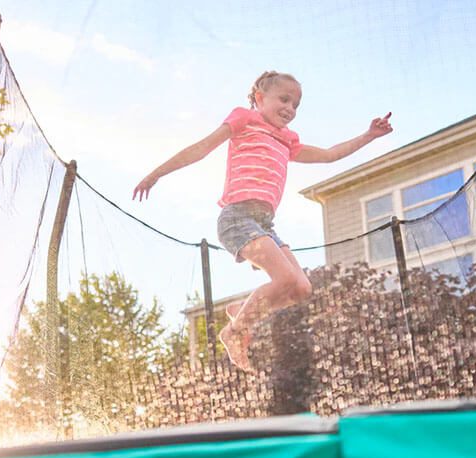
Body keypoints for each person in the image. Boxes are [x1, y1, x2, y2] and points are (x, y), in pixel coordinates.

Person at [133, 70, 392, 372]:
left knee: (301, 289)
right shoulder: (245, 119)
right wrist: (156, 174)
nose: (290, 109)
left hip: (265, 225)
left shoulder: (287, 141)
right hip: (237, 217)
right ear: (259, 98)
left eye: (296, 105)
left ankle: (241, 312)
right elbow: (201, 148)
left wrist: (368, 136)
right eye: (284, 99)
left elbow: (329, 155)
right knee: (283, 280)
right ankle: (233, 332)